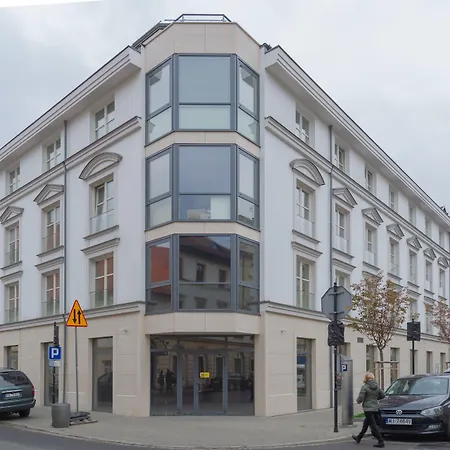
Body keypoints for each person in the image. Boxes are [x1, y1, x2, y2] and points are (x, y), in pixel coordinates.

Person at [352, 372, 385, 448]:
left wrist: (358, 401)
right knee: (366, 423)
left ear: (366, 378)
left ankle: (381, 441)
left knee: (373, 425)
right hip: (375, 407)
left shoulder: (365, 387)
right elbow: (383, 395)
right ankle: (359, 437)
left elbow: (361, 397)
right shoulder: (377, 386)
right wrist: (375, 399)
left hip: (368, 408)